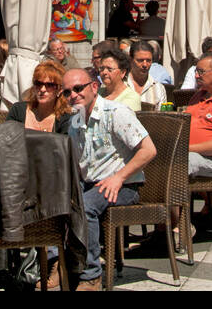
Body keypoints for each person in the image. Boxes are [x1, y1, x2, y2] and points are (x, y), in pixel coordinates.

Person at [61, 65, 156, 289]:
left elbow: (149, 150)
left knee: (85, 206)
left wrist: (119, 177)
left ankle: (92, 276)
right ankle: (63, 266)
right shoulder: (75, 118)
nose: (73, 95)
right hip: (90, 183)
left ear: (94, 87)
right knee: (57, 202)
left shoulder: (116, 113)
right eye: (67, 92)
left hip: (124, 186)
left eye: (78, 88)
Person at [7, 61, 71, 132]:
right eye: (38, 84)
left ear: (60, 90)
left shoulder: (65, 119)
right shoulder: (18, 110)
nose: (42, 89)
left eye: (49, 85)